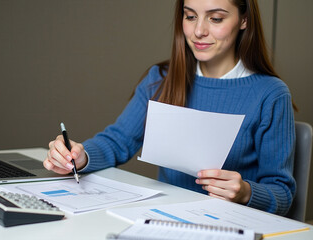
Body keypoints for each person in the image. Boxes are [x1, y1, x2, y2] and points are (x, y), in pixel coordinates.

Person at [44, 0, 296, 216]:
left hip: (229, 226)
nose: (198, 30)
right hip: (164, 218)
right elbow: (118, 140)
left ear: (244, 20)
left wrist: (245, 192)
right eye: (190, 16)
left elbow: (282, 193)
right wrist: (80, 155)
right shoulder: (161, 78)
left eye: (216, 18)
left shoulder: (270, 94)